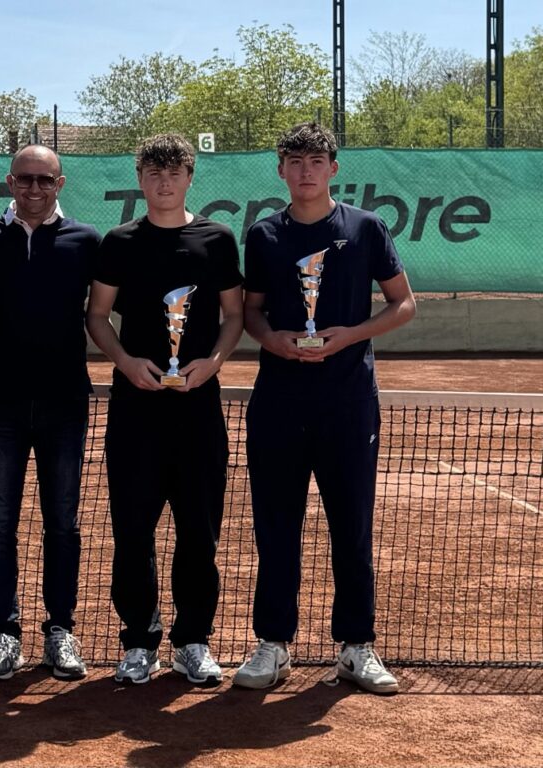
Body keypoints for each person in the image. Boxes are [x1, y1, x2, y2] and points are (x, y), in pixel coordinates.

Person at [233, 122, 416, 695]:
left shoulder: (366, 228)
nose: (306, 170)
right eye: (295, 161)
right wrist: (274, 341)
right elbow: (252, 311)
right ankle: (273, 644)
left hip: (348, 402)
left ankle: (357, 647)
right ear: (281, 170)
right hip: (279, 403)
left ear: (333, 169)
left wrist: (348, 336)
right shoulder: (263, 234)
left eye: (316, 161)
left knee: (351, 526)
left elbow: (404, 303)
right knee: (275, 526)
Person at [86, 133, 244, 686]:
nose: (164, 182)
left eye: (174, 172)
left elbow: (234, 315)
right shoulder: (120, 241)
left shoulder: (217, 239)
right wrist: (126, 361)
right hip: (136, 412)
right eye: (153, 173)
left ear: (189, 178)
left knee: (199, 532)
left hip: (198, 412)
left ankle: (193, 641)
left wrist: (213, 363)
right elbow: (98, 315)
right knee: (133, 532)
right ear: (140, 179)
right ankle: (138, 642)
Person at [0, 145, 100, 681]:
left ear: (60, 184)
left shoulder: (86, 241)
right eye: (24, 179)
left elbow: (109, 308)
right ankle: (4, 634)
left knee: (62, 524)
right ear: (9, 182)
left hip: (64, 403)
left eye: (44, 180)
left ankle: (60, 631)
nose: (33, 188)